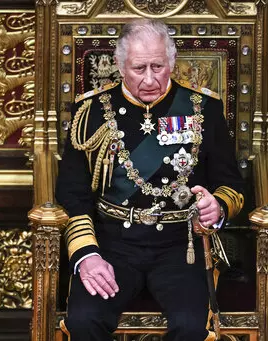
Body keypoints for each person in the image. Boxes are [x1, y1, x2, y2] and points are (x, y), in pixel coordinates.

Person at [55, 18, 245, 341]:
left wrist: (218, 207)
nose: (148, 79)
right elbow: (72, 193)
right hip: (111, 244)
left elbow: (232, 186)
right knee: (85, 320)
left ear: (171, 62)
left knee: (190, 326)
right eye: (138, 68)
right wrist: (87, 255)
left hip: (179, 247)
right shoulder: (91, 113)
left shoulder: (204, 110)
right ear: (119, 65)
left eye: (158, 66)